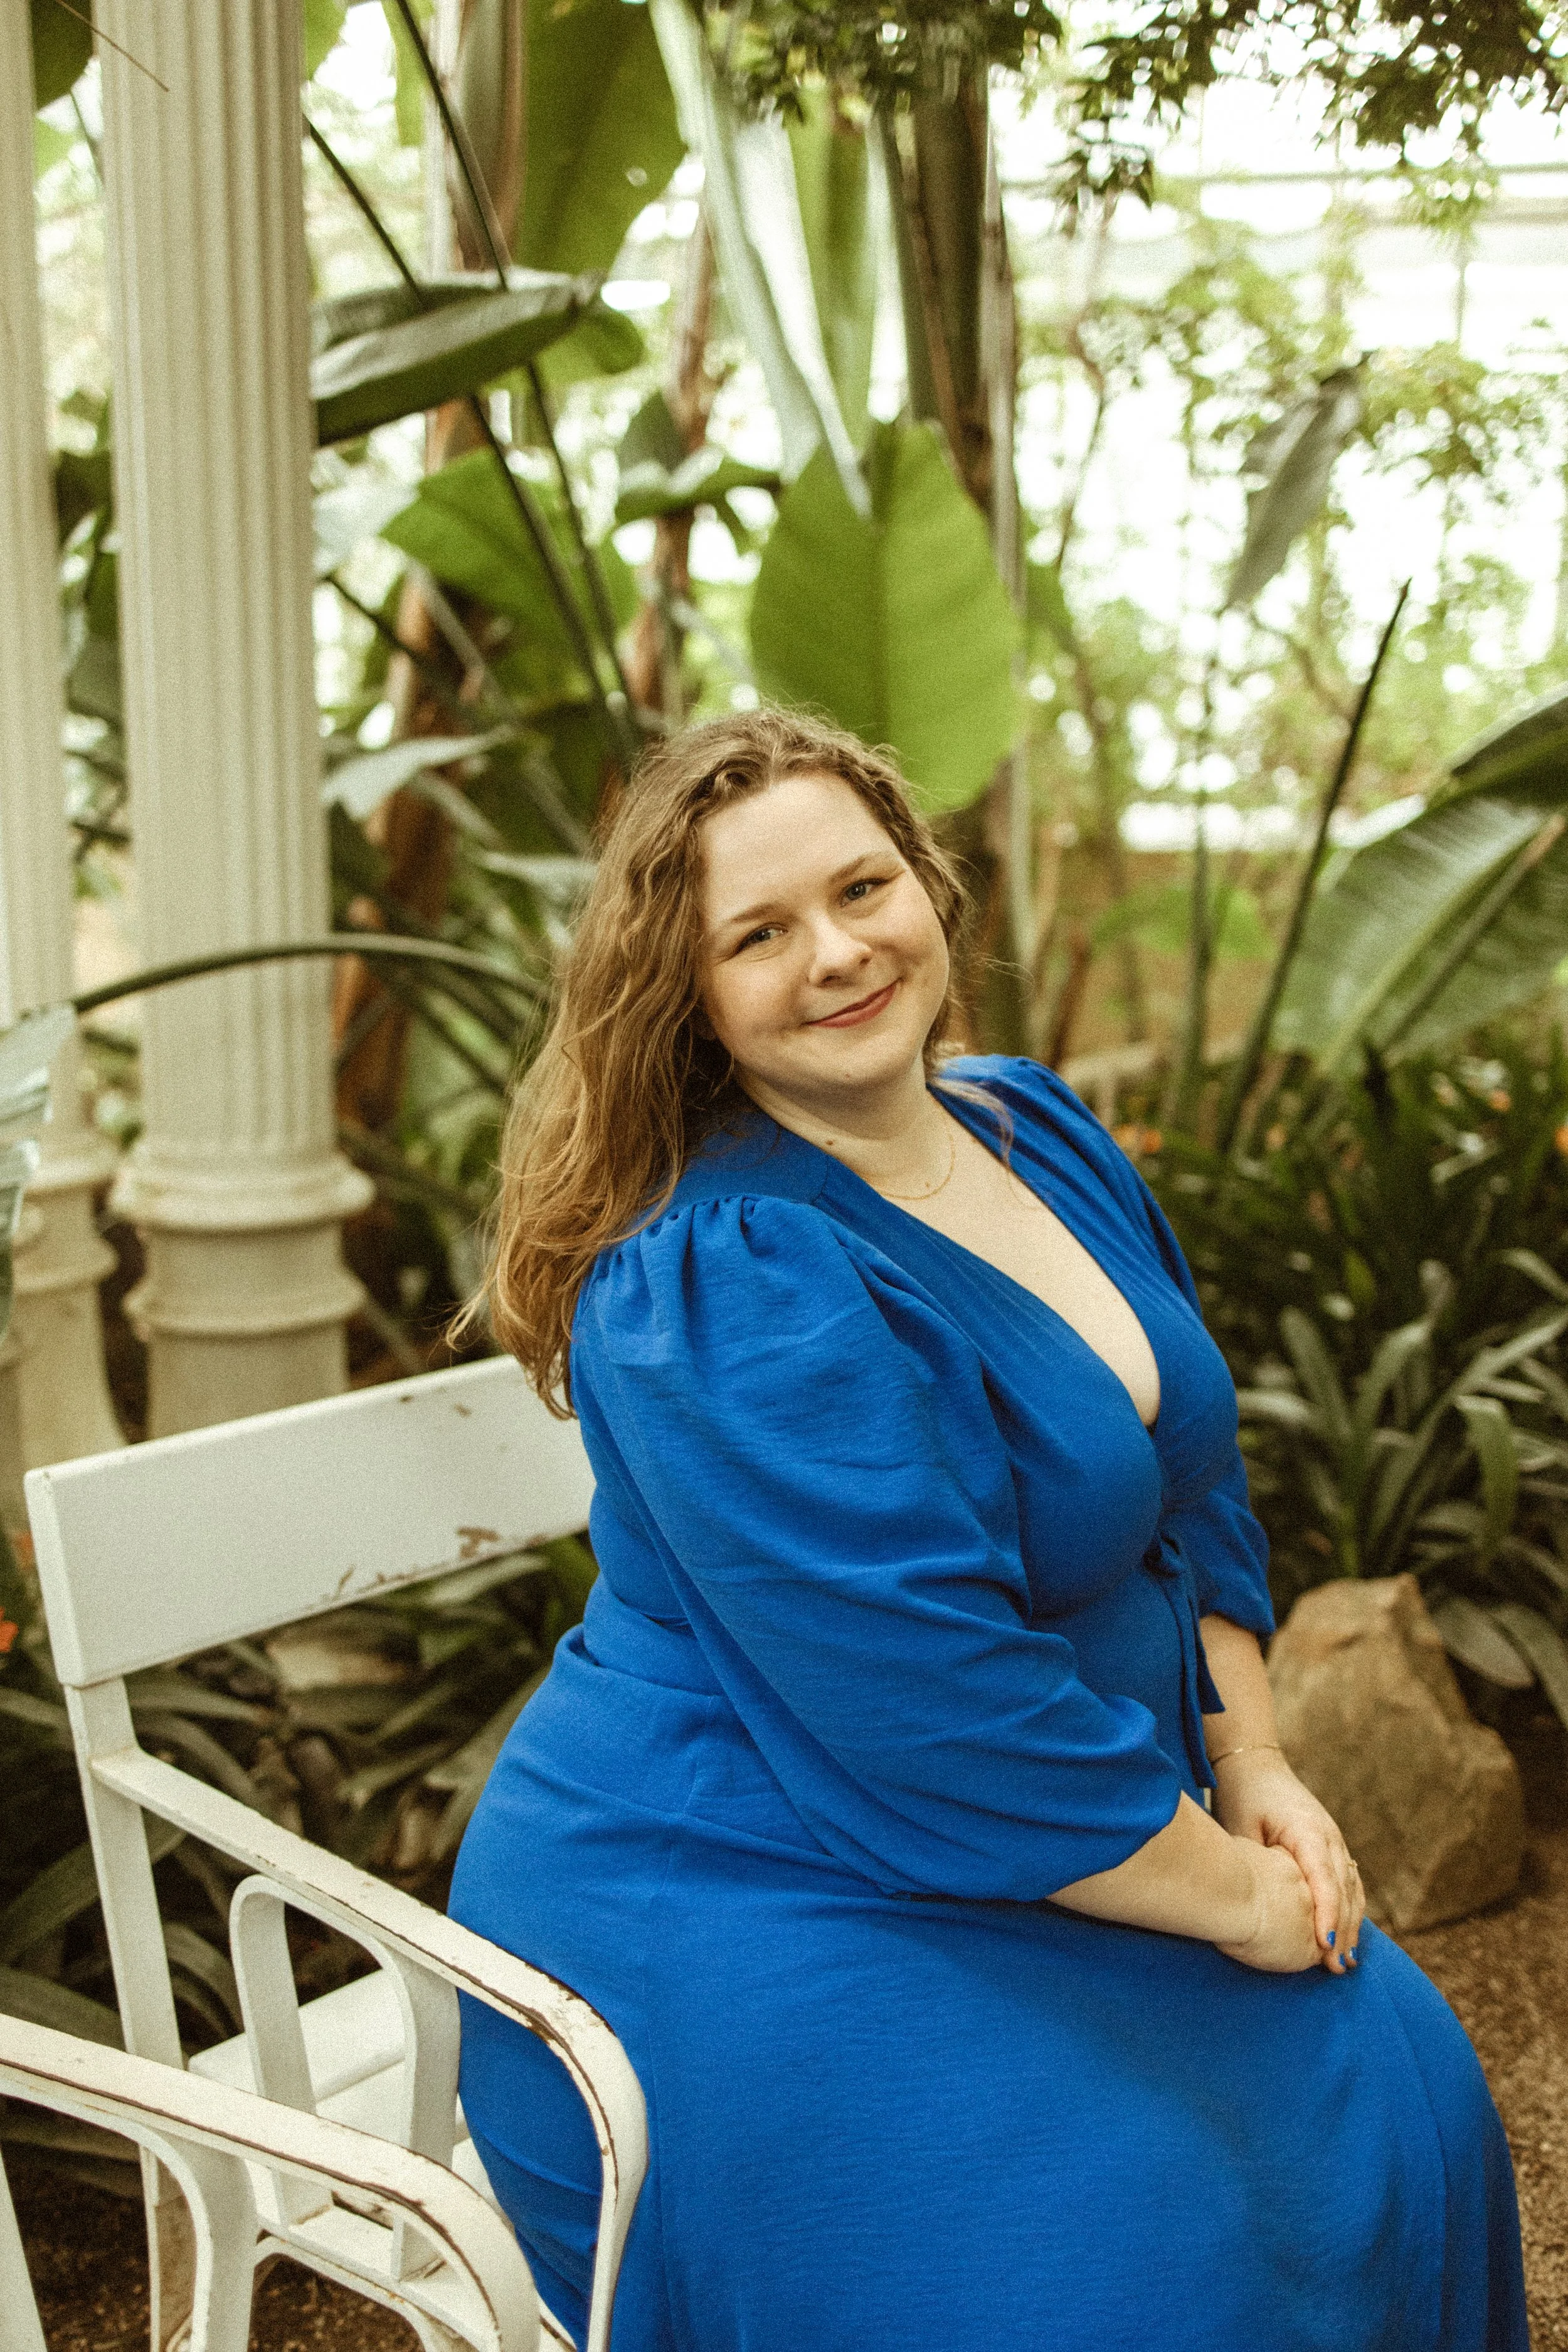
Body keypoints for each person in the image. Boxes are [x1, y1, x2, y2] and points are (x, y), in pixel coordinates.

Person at [450, 706, 1529, 2352]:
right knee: (1128, 2262)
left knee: (1400, 2080)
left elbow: (1187, 1484)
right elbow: (920, 1696)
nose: (835, 952)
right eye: (757, 933)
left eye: (859, 886)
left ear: (924, 883)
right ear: (692, 998)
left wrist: (1254, 1762)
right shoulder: (722, 1276)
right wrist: (1232, 1899)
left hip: (1063, 1821)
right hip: (736, 1866)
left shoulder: (1034, 1127)